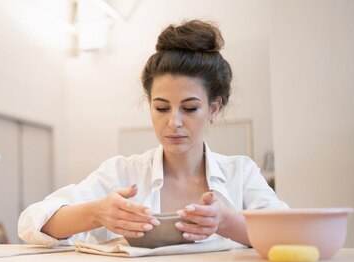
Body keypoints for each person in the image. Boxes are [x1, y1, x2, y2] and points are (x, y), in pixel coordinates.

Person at [18, 20, 288, 247]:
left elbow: (289, 234)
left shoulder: (240, 174)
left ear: (213, 108)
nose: (174, 122)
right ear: (150, 104)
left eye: (190, 108)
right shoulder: (122, 174)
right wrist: (97, 213)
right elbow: (32, 221)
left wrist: (227, 223)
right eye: (161, 108)